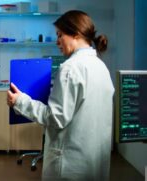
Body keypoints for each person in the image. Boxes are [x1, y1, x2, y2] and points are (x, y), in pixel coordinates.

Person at [7, 10, 114, 181]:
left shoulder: (70, 68)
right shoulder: (101, 67)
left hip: (70, 166)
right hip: (94, 163)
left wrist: (20, 101)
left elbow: (55, 118)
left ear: (76, 34)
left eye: (60, 35)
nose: (57, 41)